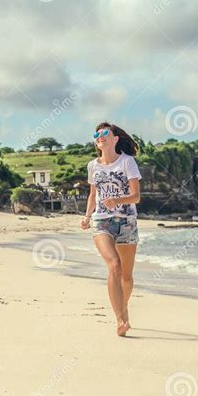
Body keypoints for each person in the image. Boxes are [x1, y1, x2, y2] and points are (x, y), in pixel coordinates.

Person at [80, 122, 142, 337]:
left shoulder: (127, 162)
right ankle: (120, 319)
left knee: (126, 276)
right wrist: (87, 216)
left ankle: (123, 309)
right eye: (96, 133)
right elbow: (92, 194)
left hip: (127, 221)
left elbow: (136, 196)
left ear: (115, 139)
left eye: (105, 132)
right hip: (102, 221)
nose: (100, 136)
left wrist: (117, 199)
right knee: (114, 265)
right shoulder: (92, 165)